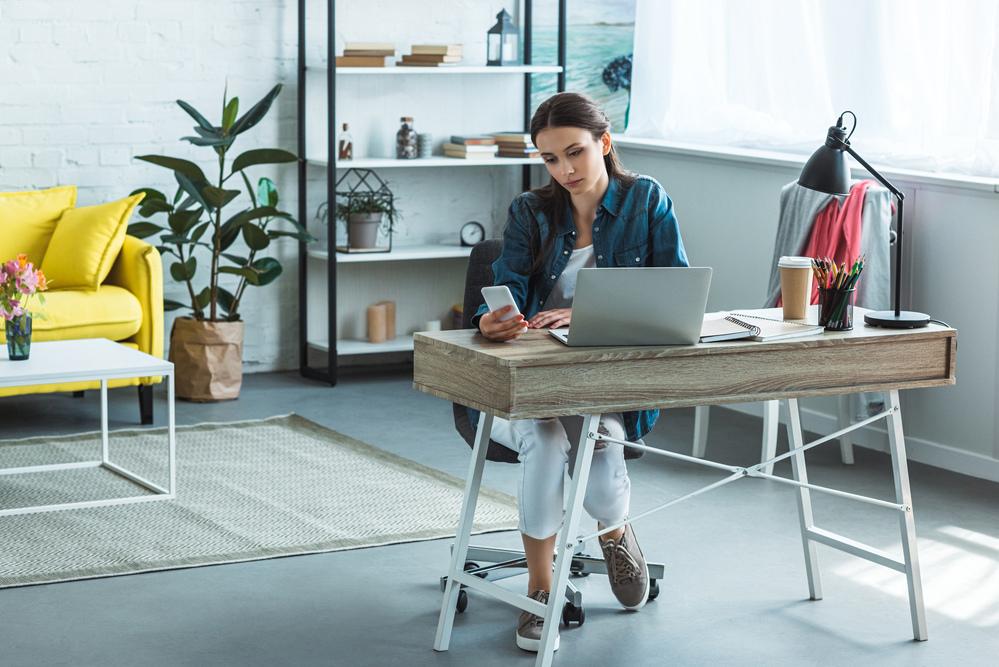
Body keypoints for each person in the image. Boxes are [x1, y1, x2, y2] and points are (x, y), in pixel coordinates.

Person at [470, 91, 690, 652]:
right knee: (545, 442)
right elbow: (508, 289)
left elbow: (675, 294)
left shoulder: (646, 201)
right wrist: (493, 318)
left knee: (601, 444)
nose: (564, 170)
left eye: (575, 153)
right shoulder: (530, 212)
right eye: (549, 159)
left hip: (605, 387)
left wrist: (587, 312)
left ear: (604, 143)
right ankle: (540, 589)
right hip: (528, 387)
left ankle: (614, 534)